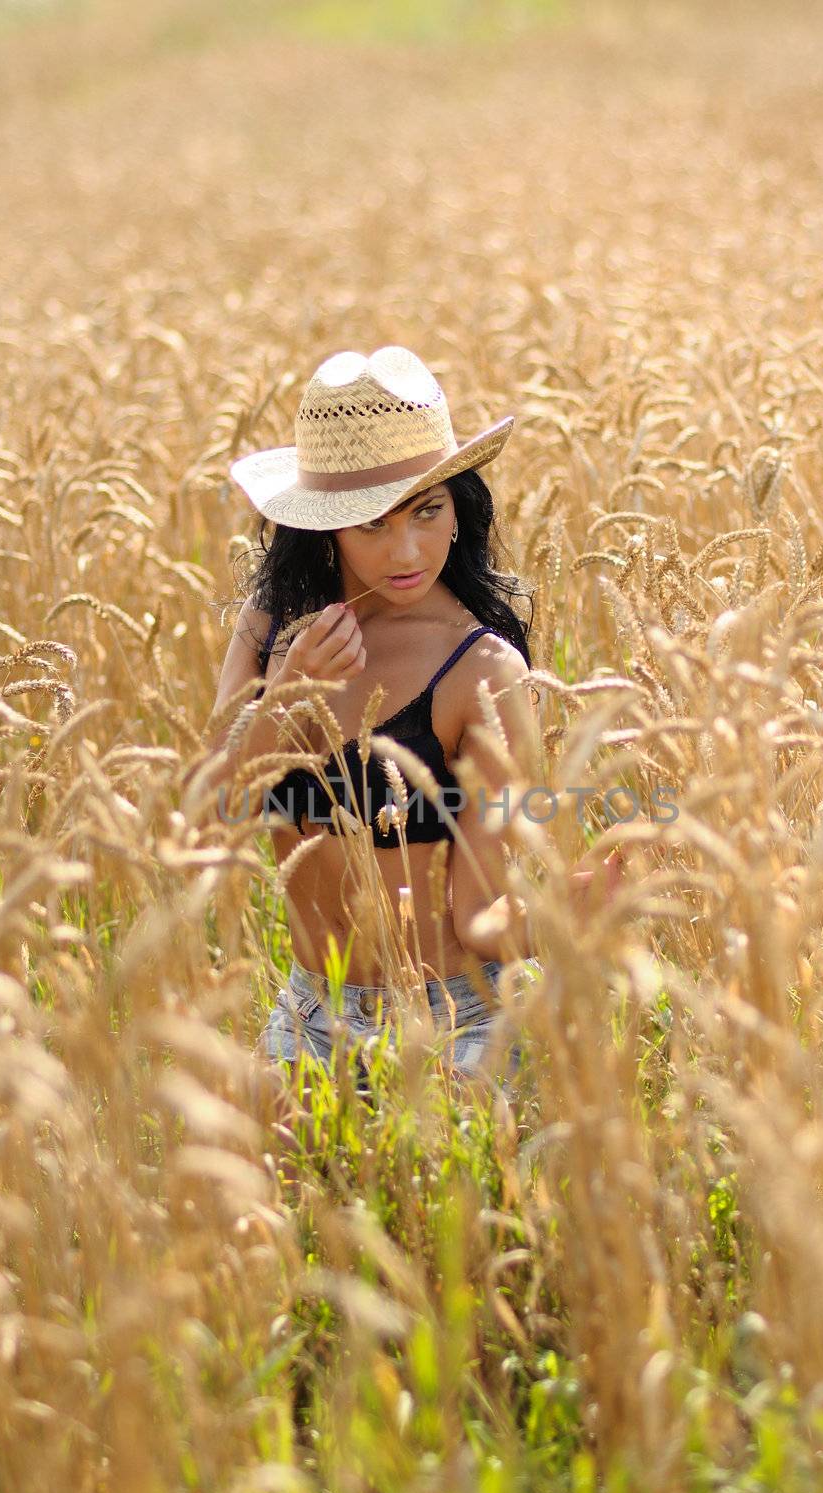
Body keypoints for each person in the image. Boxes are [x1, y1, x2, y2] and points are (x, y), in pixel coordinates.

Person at [203, 345, 624, 1096]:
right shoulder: (266, 631)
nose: (406, 551)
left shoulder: (482, 668)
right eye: (370, 524)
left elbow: (478, 917)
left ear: (460, 506)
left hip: (459, 1022)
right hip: (311, 1017)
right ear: (323, 527)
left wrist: (570, 909)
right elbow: (207, 814)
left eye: (427, 512)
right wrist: (286, 694)